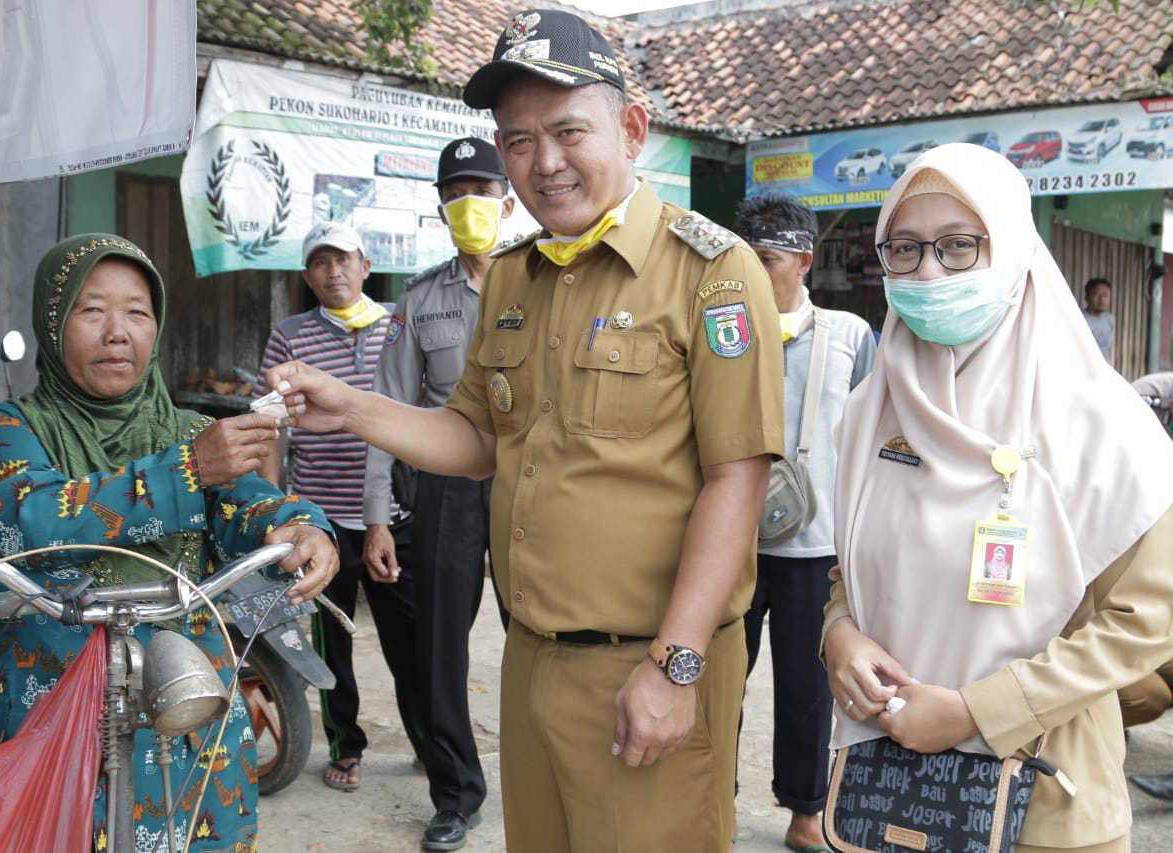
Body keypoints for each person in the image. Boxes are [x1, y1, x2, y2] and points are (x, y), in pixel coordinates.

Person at [265, 10, 784, 851]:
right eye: (517, 140)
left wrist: (675, 664)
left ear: (633, 129)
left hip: (647, 662)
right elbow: (477, 440)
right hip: (529, 655)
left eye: (568, 131)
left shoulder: (713, 273)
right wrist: (353, 405)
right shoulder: (517, 274)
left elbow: (739, 477)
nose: (543, 162)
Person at [822, 143, 1173, 851]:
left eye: (958, 247)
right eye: (905, 248)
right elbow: (850, 569)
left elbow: (1149, 618)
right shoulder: (874, 409)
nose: (928, 271)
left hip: (1046, 797)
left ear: (1012, 249)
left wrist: (977, 711)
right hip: (889, 787)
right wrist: (840, 634)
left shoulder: (1097, 416)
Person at [0, 233, 338, 850]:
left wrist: (299, 524)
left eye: (137, 311)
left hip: (185, 697)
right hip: (44, 703)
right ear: (52, 324)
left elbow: (245, 500)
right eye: (91, 308)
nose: (116, 331)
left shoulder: (190, 430)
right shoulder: (7, 428)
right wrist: (186, 472)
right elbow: (29, 518)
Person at [362, 135, 514, 850]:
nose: (469, 206)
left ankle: (563, 767)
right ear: (441, 210)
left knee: (549, 631)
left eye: (481, 192)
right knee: (438, 645)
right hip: (448, 482)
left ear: (506, 200)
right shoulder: (420, 300)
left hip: (532, 476)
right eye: (456, 196)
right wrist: (375, 519)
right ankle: (455, 792)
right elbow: (387, 414)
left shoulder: (542, 280)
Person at [254, 222, 429, 798]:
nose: (334, 272)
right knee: (333, 642)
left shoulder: (396, 326)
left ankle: (433, 744)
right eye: (321, 263)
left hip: (395, 515)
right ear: (308, 275)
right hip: (323, 518)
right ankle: (346, 746)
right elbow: (270, 427)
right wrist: (276, 504)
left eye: (344, 260)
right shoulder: (290, 336)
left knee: (415, 640)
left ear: (366, 265)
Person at [731, 192, 874, 853]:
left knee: (807, 685)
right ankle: (709, 794)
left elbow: (872, 437)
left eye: (764, 258)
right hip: (728, 538)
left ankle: (806, 807)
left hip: (816, 544)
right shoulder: (721, 330)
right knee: (720, 676)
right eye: (744, 257)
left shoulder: (849, 336)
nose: (751, 271)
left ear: (803, 260)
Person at [1082, 276, 1114, 362]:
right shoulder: (1080, 320)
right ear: (1087, 297)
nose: (1101, 299)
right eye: (1096, 294)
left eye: (1105, 295)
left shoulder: (1109, 319)